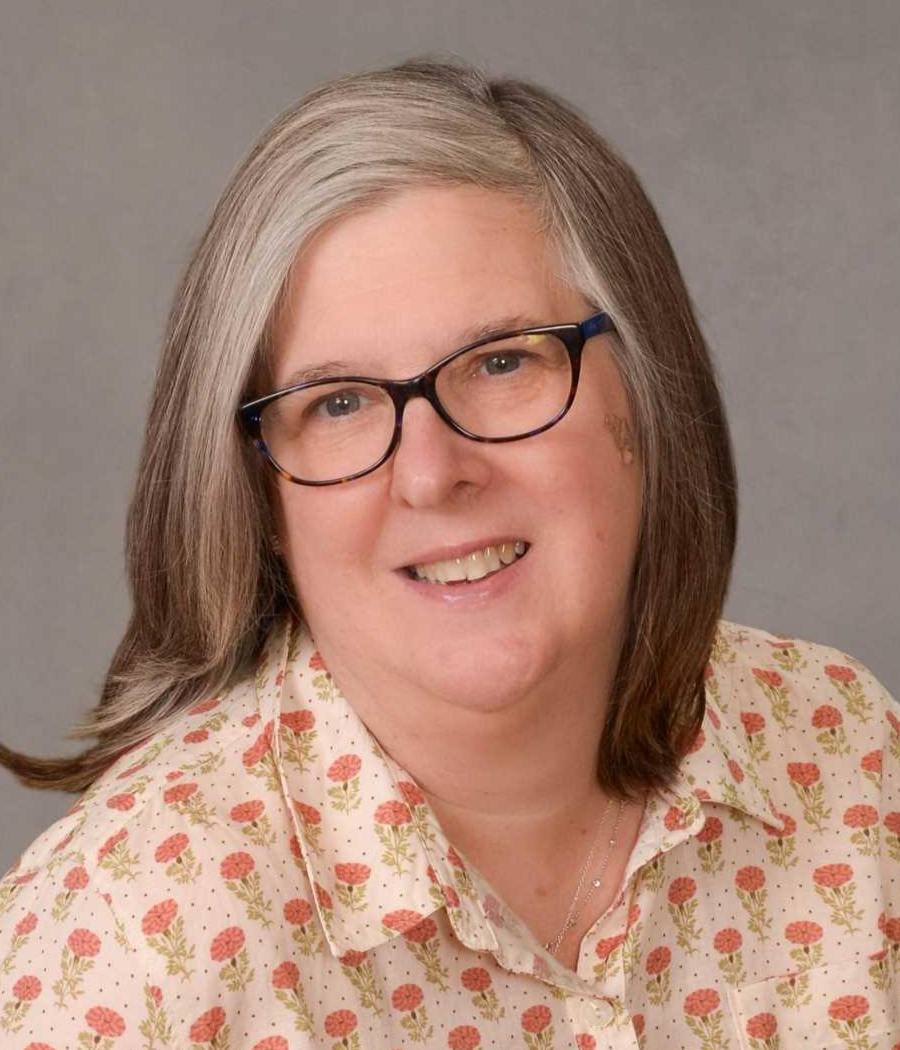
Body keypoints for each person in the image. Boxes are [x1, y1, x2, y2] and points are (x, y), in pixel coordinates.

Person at [0, 57, 897, 1050]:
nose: (431, 473)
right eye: (337, 403)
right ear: (258, 494)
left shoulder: (844, 756)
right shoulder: (137, 940)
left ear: (642, 398)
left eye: (503, 362)